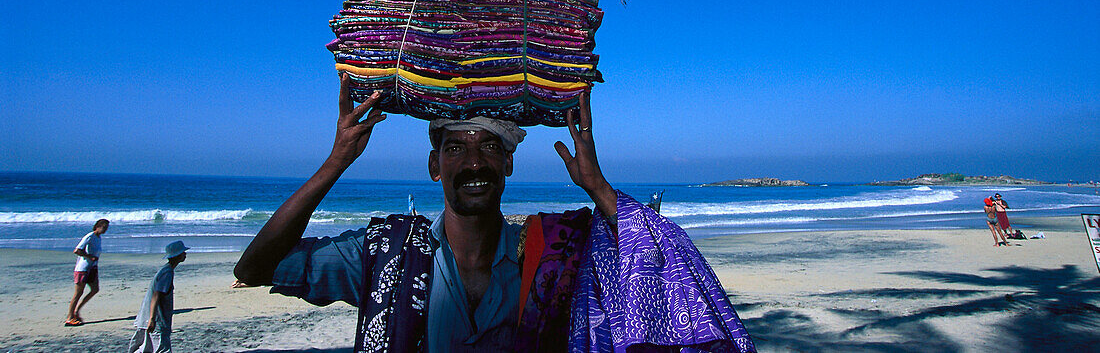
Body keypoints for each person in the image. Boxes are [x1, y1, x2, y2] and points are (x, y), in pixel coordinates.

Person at [235, 74, 755, 352]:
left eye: (488, 146)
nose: (474, 161)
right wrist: (335, 163)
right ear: (434, 166)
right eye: (456, 148)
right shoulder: (384, 255)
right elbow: (254, 270)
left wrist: (596, 185)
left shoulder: (552, 252)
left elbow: (663, 259)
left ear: (508, 162)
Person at [128, 240, 188, 353]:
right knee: (161, 349)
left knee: (145, 348)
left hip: (149, 317)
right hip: (157, 320)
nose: (185, 254)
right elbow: (156, 295)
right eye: (183, 252)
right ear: (177, 255)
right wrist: (152, 319)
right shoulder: (167, 273)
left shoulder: (166, 270)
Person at [65, 218, 109, 326]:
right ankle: (70, 317)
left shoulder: (98, 238)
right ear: (97, 227)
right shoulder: (90, 236)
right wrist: (89, 257)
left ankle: (77, 311)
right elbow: (77, 250)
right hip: (82, 269)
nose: (105, 230)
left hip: (92, 268)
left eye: (106, 228)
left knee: (95, 289)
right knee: (78, 293)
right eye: (104, 227)